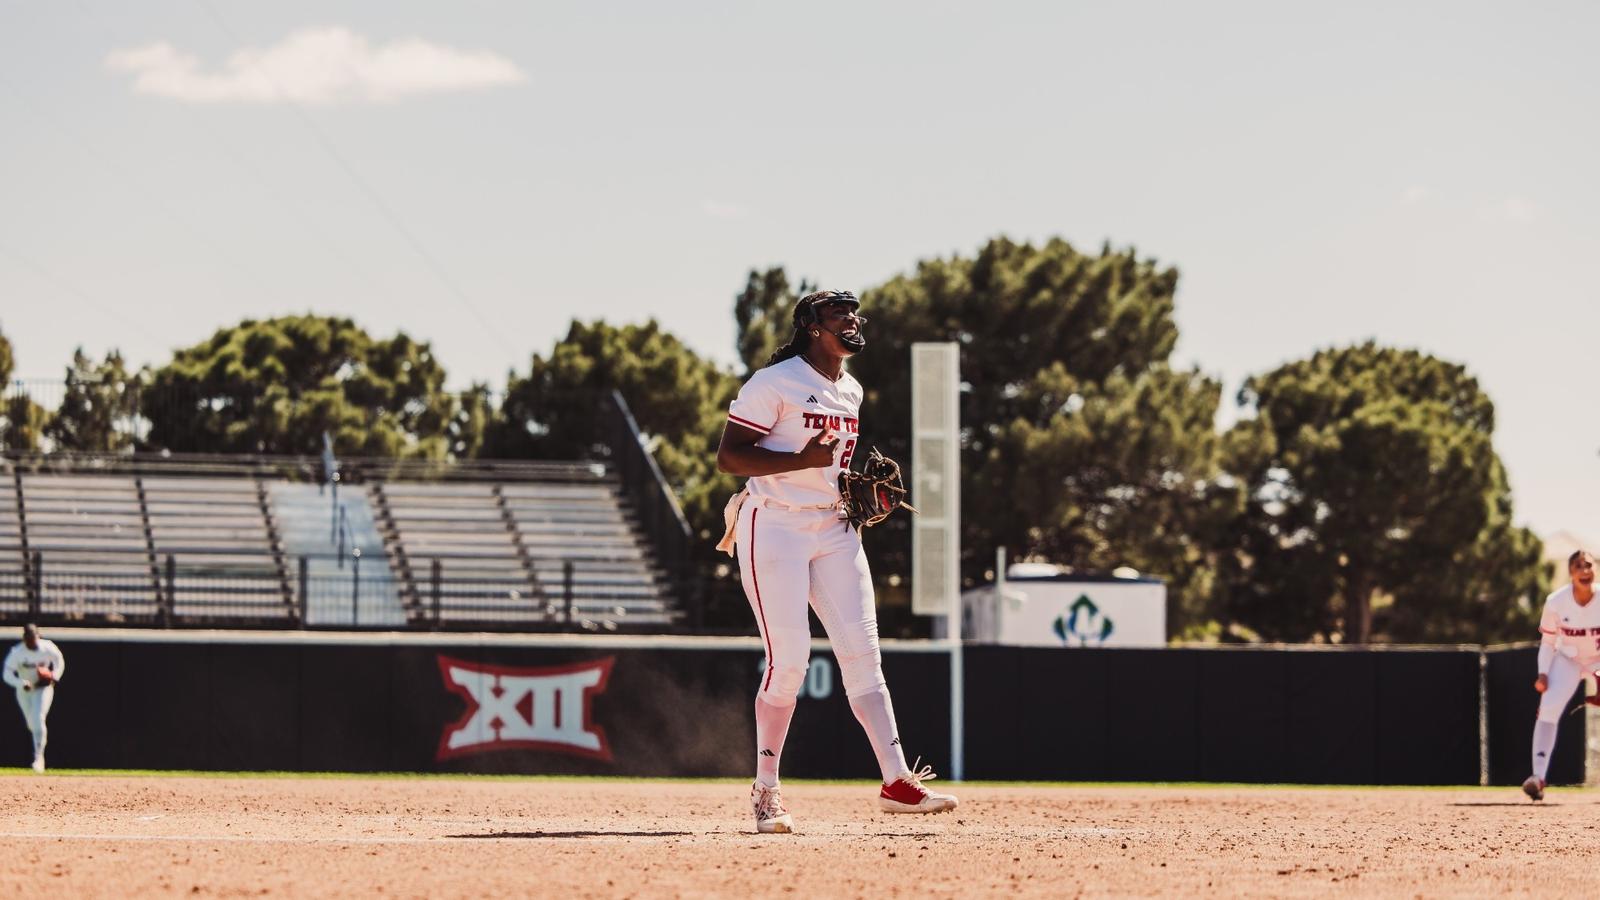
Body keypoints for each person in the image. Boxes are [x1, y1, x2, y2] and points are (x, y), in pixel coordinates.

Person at [716, 289, 957, 834]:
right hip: (772, 523)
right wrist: (802, 459)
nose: (851, 320)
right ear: (810, 326)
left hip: (834, 525)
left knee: (864, 655)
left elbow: (829, 466)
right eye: (837, 314)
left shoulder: (850, 388)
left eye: (853, 313)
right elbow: (730, 457)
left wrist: (848, 487)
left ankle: (897, 782)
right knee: (791, 661)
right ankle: (767, 791)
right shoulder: (772, 382)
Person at [1524, 550, 1598, 800]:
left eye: (1589, 565)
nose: (1585, 570)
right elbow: (1548, 641)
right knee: (1548, 709)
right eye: (1579, 566)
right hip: (1568, 659)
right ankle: (1538, 777)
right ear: (1571, 573)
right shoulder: (1556, 601)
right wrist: (1543, 673)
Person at [3, 623, 65, 773]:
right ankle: (37, 744)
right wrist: (20, 683)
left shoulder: (47, 647)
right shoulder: (17, 652)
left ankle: (39, 758)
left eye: (33, 637)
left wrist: (54, 676)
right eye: (28, 638)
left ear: (38, 636)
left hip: (43, 688)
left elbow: (59, 661)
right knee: (32, 723)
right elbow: (7, 674)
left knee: (38, 718)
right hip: (24, 690)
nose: (32, 641)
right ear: (24, 639)